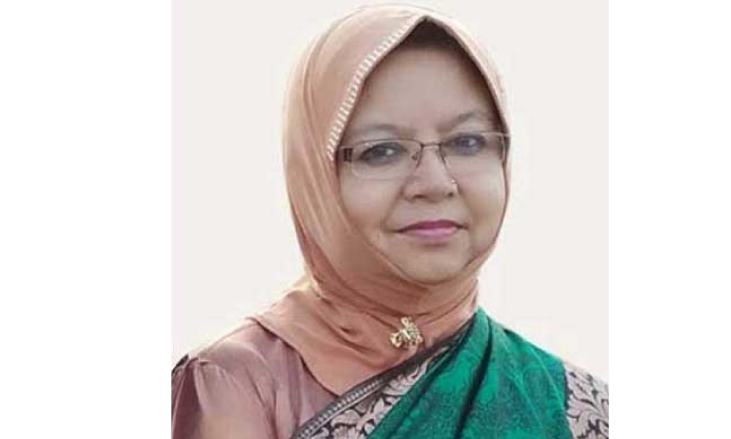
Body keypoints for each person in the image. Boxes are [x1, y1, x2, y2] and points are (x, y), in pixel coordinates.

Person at [172, 4, 608, 439]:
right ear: (314, 175)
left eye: (468, 142)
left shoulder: (577, 406)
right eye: (381, 150)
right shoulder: (240, 383)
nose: (435, 183)